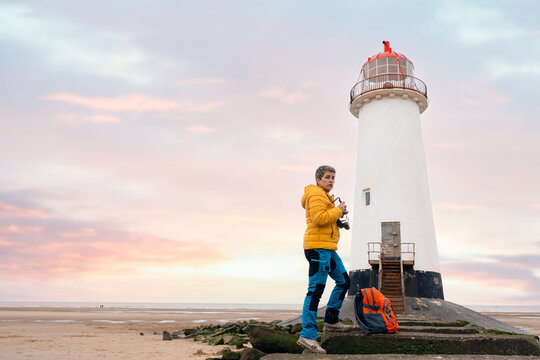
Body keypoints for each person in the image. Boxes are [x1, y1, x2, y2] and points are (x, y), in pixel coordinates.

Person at [296, 165, 351, 354]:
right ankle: (307, 336)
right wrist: (338, 210)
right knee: (315, 291)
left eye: (333, 177)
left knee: (344, 281)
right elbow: (319, 218)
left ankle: (331, 319)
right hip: (317, 249)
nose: (331, 180)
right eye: (327, 177)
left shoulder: (325, 196)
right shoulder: (316, 194)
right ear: (318, 180)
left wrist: (338, 219)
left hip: (327, 248)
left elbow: (324, 219)